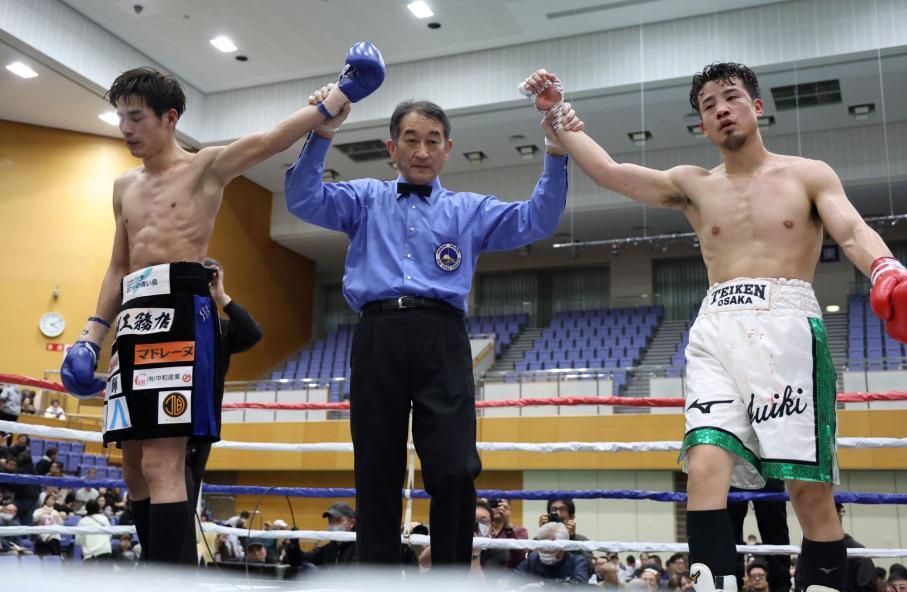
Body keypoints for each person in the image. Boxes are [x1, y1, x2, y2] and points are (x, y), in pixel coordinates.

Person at [522, 63, 907, 592]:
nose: (721, 109)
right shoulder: (693, 185)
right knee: (703, 466)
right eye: (708, 105)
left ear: (756, 106)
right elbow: (611, 171)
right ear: (702, 124)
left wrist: (888, 270)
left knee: (806, 490)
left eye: (731, 97)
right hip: (717, 327)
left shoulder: (809, 174)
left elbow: (854, 230)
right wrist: (558, 116)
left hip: (788, 327)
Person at [57, 44, 384, 567]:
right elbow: (117, 266)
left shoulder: (206, 167)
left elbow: (268, 139)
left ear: (170, 118)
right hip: (133, 320)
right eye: (120, 117)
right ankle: (159, 567)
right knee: (134, 465)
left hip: (182, 314)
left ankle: (171, 578)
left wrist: (340, 94)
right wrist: (93, 333)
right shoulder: (123, 187)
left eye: (136, 117)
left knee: (165, 461)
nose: (125, 128)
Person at [284, 80, 577, 565]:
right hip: (377, 333)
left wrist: (554, 146)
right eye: (411, 139)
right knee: (376, 466)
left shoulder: (468, 209)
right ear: (392, 148)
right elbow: (301, 198)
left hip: (442, 336)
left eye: (433, 140)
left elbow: (536, 220)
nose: (422, 150)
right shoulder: (364, 198)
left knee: (457, 467)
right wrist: (322, 132)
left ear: (448, 149)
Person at [182, 257, 263, 563]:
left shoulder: (221, 328)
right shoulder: (173, 318)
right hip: (168, 418)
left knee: (188, 496)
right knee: (170, 492)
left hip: (203, 423)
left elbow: (253, 333)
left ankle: (179, 566)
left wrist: (221, 296)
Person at [729, 480, 791, 592]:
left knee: (775, 534)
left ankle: (782, 588)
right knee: (729, 537)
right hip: (732, 470)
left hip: (768, 468)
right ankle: (731, 586)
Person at [514, 522, 588, 585]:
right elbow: (515, 578)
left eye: (548, 546)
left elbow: (579, 584)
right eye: (542, 545)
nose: (543, 550)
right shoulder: (533, 558)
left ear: (563, 547)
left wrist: (543, 586)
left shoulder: (577, 562)